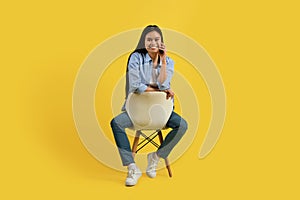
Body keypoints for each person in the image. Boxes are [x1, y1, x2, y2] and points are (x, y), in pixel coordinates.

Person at [110, 25, 188, 186]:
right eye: (149, 39)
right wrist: (158, 89)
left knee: (182, 125)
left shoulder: (169, 62)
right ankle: (132, 167)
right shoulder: (136, 57)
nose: (153, 42)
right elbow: (135, 85)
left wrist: (164, 60)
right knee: (116, 123)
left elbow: (164, 84)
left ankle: (156, 157)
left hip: (161, 113)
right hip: (137, 112)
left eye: (156, 39)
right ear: (143, 41)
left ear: (162, 42)